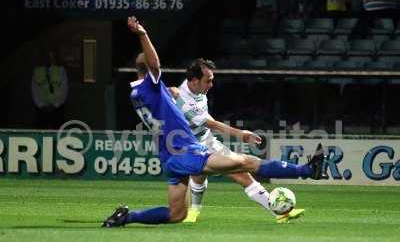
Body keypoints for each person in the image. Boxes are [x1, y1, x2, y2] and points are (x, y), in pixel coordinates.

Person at [102, 16, 327, 228]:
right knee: (246, 162)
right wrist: (142, 34)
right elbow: (155, 64)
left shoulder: (137, 94)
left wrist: (168, 93)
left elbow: (160, 91)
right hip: (186, 152)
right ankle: (307, 170)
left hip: (170, 157)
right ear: (149, 71)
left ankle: (126, 216)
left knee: (176, 214)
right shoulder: (152, 86)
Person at [167, 58, 304, 224]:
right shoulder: (184, 99)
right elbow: (211, 123)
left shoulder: (196, 90)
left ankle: (193, 213)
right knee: (230, 173)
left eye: (212, 80)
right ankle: (279, 212)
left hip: (206, 141)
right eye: (208, 81)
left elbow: (205, 118)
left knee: (222, 175)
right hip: (192, 147)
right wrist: (241, 134)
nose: (211, 84)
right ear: (195, 81)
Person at [32, 50, 68, 129]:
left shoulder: (61, 70)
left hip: (57, 109)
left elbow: (64, 89)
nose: (49, 59)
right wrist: (41, 105)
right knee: (41, 131)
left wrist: (55, 105)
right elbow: (34, 90)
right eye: (47, 57)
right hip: (41, 109)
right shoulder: (37, 71)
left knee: (57, 132)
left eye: (52, 56)